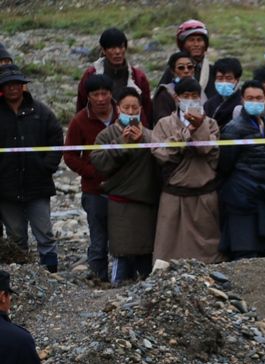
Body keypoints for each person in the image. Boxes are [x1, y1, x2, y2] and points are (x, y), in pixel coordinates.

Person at [91, 87, 161, 284]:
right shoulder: (106, 135)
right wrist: (122, 143)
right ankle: (118, 288)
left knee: (146, 253)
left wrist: (143, 141)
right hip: (120, 204)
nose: (130, 112)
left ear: (141, 109)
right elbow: (99, 163)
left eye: (134, 108)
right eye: (126, 108)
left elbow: (162, 160)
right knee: (122, 252)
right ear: (118, 109)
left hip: (146, 203)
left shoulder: (150, 135)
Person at [150, 76, 221, 265]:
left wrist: (198, 128)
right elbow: (160, 154)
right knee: (168, 253)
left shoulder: (211, 123)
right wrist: (183, 138)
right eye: (185, 96)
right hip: (174, 196)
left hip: (204, 195)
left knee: (208, 253)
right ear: (177, 98)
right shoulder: (164, 124)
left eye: (194, 96)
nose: (190, 100)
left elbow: (208, 150)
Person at [218, 80, 265, 260]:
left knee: (264, 251)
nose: (255, 102)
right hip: (241, 195)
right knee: (244, 250)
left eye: (259, 98)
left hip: (263, 192)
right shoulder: (234, 128)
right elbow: (225, 164)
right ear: (242, 100)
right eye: (250, 98)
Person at [0, 66, 62, 272]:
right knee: (15, 234)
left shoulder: (41, 112)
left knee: (44, 232)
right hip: (6, 186)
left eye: (16, 84)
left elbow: (56, 139)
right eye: (8, 85)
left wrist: (47, 166)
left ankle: (51, 272)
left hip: (38, 184)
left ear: (23, 86)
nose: (13, 88)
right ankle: (21, 273)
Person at [64, 73, 117, 284]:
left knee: (125, 235)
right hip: (94, 190)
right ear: (88, 97)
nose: (101, 99)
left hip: (124, 188)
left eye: (105, 93)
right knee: (98, 239)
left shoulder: (124, 115)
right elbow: (69, 156)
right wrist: (91, 172)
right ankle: (98, 278)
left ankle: (125, 277)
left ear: (111, 94)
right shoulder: (79, 121)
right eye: (96, 94)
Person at [76, 27, 152, 125]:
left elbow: (147, 109)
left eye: (121, 47)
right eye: (112, 48)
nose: (117, 52)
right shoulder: (91, 74)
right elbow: (82, 105)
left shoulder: (138, 77)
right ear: (103, 50)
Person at [159, 20, 215, 100]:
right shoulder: (174, 70)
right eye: (191, 40)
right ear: (182, 44)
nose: (196, 44)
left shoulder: (213, 71)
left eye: (199, 40)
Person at [153, 52, 194, 122]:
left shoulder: (199, 91)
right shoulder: (165, 94)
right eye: (181, 68)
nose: (186, 70)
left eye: (190, 67)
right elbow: (163, 123)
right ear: (173, 71)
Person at [203, 57, 242, 129]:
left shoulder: (242, 102)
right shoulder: (209, 104)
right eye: (220, 78)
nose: (224, 82)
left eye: (228, 78)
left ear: (237, 80)